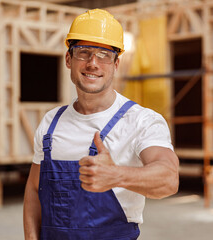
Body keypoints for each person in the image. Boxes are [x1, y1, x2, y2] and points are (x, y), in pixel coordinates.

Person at [23, 9, 179, 240]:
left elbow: (169, 179)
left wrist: (117, 175)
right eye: (83, 52)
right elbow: (34, 192)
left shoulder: (142, 121)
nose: (93, 63)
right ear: (69, 59)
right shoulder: (51, 123)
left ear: (116, 64)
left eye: (104, 54)